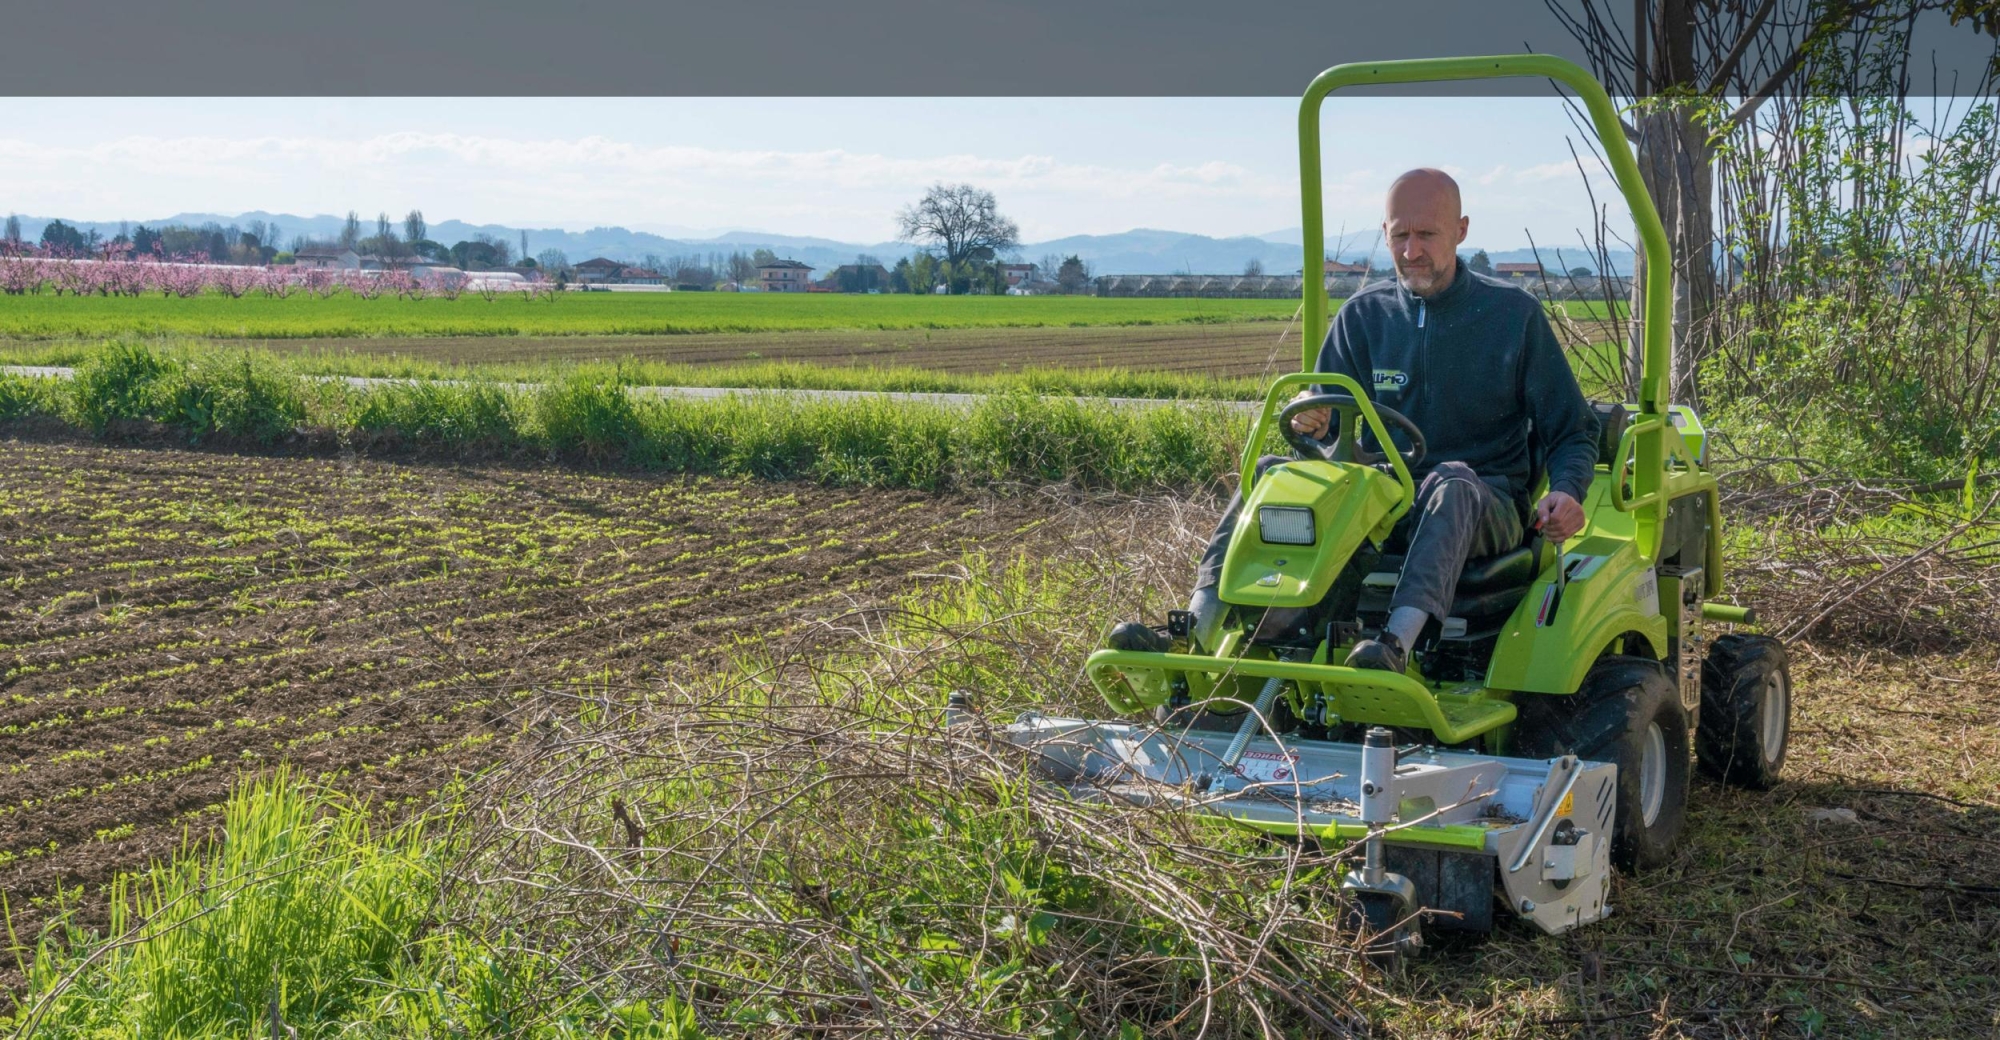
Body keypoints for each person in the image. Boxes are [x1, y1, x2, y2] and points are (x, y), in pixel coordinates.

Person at [1179, 168, 1598, 673]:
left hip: (1484, 502)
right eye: (1400, 235)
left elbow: (1573, 430)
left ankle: (1394, 647)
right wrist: (1316, 422)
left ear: (1461, 230)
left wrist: (1568, 490)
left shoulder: (1512, 316)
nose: (1411, 251)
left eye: (1426, 234)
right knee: (1272, 471)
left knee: (1451, 482)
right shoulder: (1363, 316)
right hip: (1378, 499)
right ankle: (1195, 631)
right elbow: (1329, 424)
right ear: (1385, 233)